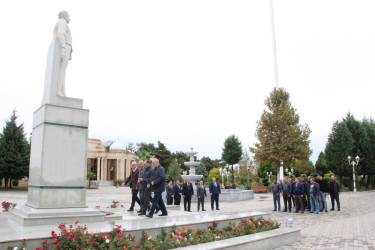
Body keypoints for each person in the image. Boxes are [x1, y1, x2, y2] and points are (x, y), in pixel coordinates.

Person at [53, 11, 73, 96]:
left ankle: (62, 90)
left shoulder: (59, 23)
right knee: (62, 70)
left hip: (64, 46)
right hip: (64, 46)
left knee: (62, 71)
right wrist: (63, 47)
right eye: (68, 16)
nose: (70, 18)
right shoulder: (62, 22)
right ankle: (59, 90)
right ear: (65, 16)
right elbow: (60, 33)